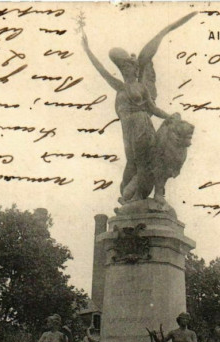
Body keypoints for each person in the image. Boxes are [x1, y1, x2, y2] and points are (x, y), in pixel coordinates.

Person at [82, 13, 197, 205]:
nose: (131, 70)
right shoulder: (120, 86)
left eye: (132, 68)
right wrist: (87, 50)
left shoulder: (142, 87)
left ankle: (140, 195)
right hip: (129, 128)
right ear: (123, 70)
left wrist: (169, 117)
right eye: (127, 68)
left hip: (142, 125)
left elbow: (153, 107)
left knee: (144, 160)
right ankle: (132, 194)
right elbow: (101, 70)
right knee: (133, 162)